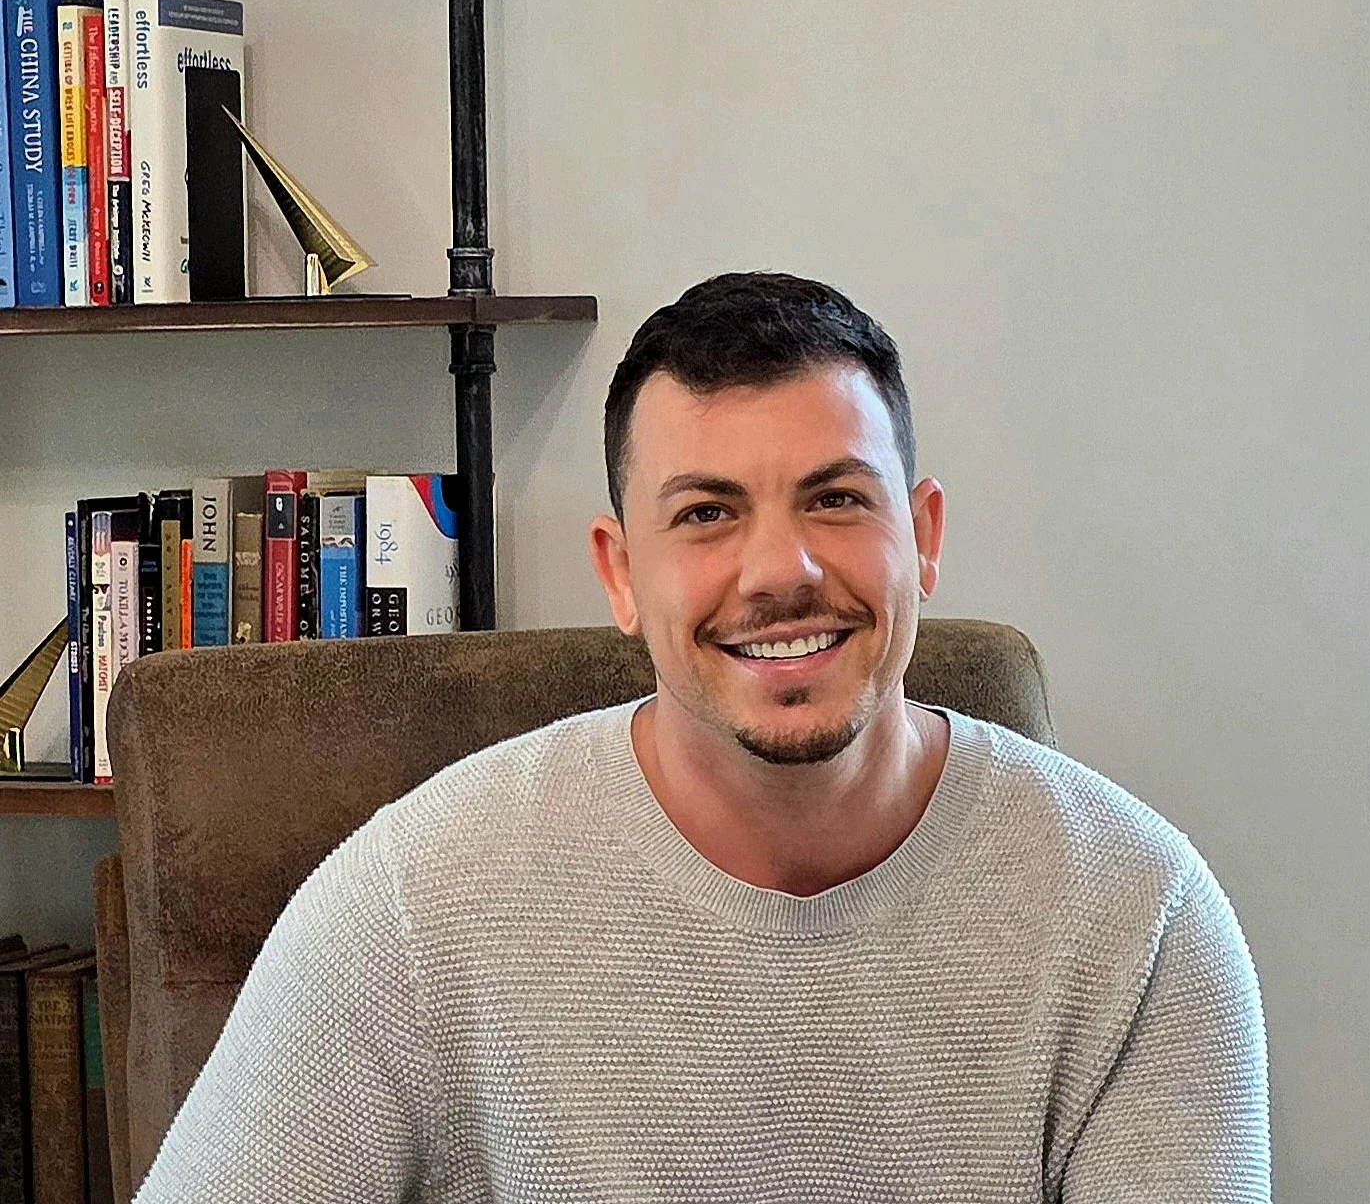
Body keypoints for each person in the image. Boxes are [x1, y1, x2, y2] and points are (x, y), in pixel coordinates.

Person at [133, 272, 1271, 1202]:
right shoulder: (410, 905)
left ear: (920, 537)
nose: (781, 571)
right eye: (706, 514)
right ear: (621, 573)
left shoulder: (1140, 916)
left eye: (836, 499)